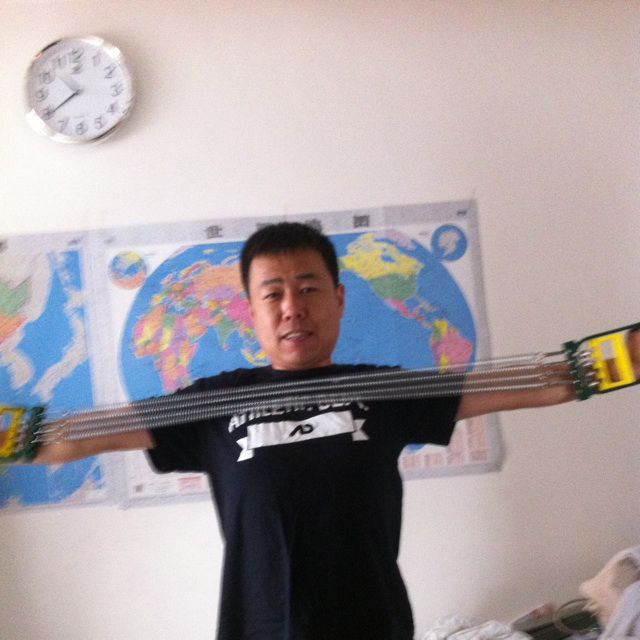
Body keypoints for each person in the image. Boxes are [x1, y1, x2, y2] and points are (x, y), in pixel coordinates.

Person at [33, 222, 640, 640]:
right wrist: (20, 437)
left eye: (307, 288)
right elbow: (75, 437)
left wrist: (625, 357)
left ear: (339, 299)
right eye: (273, 294)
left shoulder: (383, 391)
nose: (291, 307)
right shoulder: (212, 403)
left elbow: (545, 382)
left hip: (372, 624)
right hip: (257, 627)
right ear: (251, 311)